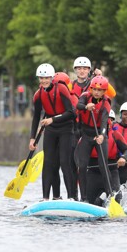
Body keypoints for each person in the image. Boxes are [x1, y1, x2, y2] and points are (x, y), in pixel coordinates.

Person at [29, 64, 76, 201]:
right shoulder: (38, 95)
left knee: (64, 162)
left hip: (66, 128)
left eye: (46, 77)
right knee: (49, 163)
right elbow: (36, 117)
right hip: (51, 130)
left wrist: (52, 119)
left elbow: (71, 113)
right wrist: (32, 138)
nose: (44, 80)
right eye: (41, 78)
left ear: (52, 77)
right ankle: (46, 198)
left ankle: (72, 197)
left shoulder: (61, 88)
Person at [75, 75, 112, 202]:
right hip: (86, 135)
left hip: (99, 135)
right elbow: (78, 106)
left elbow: (104, 122)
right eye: (94, 89)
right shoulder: (85, 96)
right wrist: (86, 107)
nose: (96, 92)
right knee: (82, 166)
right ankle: (83, 198)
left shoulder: (106, 103)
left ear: (104, 91)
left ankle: (110, 196)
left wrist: (102, 135)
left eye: (100, 90)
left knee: (103, 165)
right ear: (91, 89)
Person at [87, 116, 127, 206]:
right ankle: (101, 198)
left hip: (111, 171)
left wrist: (123, 157)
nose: (108, 122)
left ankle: (106, 198)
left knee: (116, 199)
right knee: (92, 203)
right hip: (93, 172)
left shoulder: (115, 134)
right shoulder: (89, 134)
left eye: (111, 120)